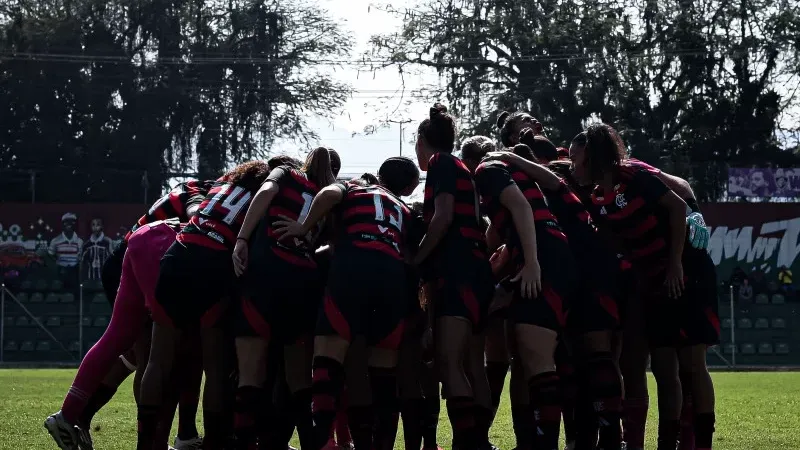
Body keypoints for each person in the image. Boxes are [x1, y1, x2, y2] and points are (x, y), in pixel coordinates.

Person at [574, 123, 718, 450]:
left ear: (595, 158)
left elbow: (677, 205)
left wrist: (677, 260)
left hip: (687, 271)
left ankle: (703, 444)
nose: (573, 167)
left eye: (577, 159)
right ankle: (667, 441)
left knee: (692, 364)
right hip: (655, 280)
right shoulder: (597, 199)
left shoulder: (633, 175)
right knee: (664, 367)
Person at [482, 137, 626, 449]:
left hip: (574, 266)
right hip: (588, 267)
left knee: (567, 357)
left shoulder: (525, 186)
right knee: (585, 356)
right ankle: (598, 438)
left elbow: (505, 234)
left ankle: (584, 438)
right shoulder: (546, 182)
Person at [274, 157, 420, 450]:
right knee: (382, 377)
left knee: (327, 365)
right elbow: (412, 253)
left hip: (353, 268)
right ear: (407, 188)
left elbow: (329, 193)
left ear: (379, 175)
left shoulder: (357, 188)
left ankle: (320, 443)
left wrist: (303, 227)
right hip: (391, 278)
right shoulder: (404, 208)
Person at [137, 161, 273, 450]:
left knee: (157, 360)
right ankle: (213, 441)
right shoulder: (262, 200)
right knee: (214, 368)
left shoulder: (220, 186)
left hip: (177, 257)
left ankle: (145, 443)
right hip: (211, 267)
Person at [229, 147, 340, 450]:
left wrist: (241, 239)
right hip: (303, 283)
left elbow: (266, 190)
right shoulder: (329, 197)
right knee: (300, 383)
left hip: (266, 274)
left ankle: (242, 443)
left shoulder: (289, 174)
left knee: (250, 377)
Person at [44, 218, 188, 450]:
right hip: (159, 248)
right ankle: (164, 440)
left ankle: (71, 415)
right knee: (161, 355)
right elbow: (196, 210)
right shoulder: (227, 195)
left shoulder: (217, 194)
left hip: (134, 247)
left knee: (125, 344)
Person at [472, 142, 577, 450]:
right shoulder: (514, 175)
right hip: (553, 260)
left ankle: (548, 444)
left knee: (536, 356)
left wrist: (532, 263)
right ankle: (535, 442)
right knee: (528, 354)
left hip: (545, 262)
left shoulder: (486, 170)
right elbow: (497, 235)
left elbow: (521, 208)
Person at [413, 104, 494, 450]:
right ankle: (479, 441)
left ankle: (468, 442)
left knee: (449, 361)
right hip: (478, 271)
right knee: (475, 363)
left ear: (421, 141)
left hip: (458, 270)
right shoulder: (463, 167)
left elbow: (443, 218)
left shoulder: (441, 163)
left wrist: (416, 259)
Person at [49, 213, 83, 288]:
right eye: (66, 221)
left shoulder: (80, 241)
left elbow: (80, 260)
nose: (69, 224)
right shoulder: (55, 241)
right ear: (62, 224)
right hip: (60, 273)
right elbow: (50, 257)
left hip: (74, 274)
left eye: (72, 221)